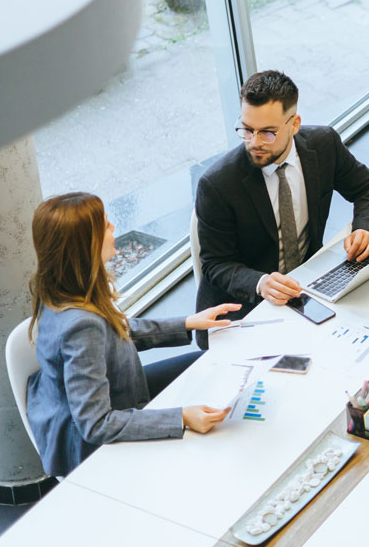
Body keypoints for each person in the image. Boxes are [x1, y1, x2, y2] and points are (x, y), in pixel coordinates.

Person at [26, 193, 237, 477]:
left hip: (116, 387)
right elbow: (97, 423)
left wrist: (188, 322)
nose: (113, 228)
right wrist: (181, 417)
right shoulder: (80, 326)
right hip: (95, 446)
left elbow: (116, 331)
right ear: (83, 246)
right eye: (104, 226)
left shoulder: (63, 290)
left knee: (202, 364)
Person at [194, 70, 369, 347]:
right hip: (244, 308)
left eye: (268, 133)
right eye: (247, 129)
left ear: (294, 124)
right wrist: (261, 283)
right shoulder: (218, 184)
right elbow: (215, 264)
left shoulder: (324, 145)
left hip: (309, 284)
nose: (254, 142)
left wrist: (367, 228)